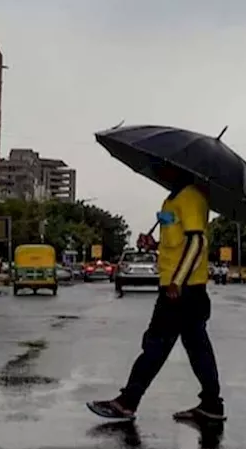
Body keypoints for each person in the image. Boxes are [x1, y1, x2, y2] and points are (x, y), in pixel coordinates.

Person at [87, 165, 224, 423]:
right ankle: (211, 404)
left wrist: (177, 281)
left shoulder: (192, 197)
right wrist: (154, 245)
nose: (160, 173)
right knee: (197, 348)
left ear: (180, 169)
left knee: (155, 345)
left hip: (182, 291)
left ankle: (128, 402)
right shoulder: (171, 199)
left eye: (165, 169)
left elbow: (197, 242)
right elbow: (177, 242)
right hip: (181, 289)